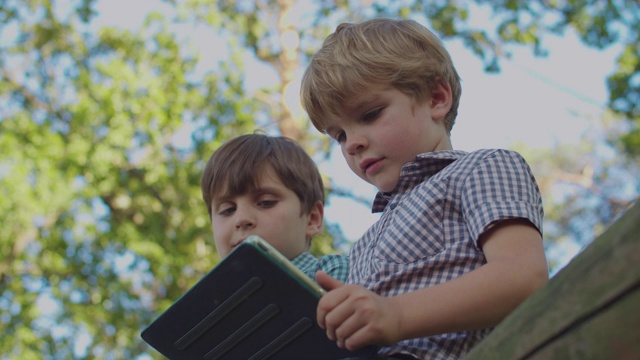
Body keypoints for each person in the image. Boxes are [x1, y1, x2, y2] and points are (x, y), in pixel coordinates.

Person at [300, 18, 549, 359]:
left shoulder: (482, 168)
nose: (352, 144)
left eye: (370, 114)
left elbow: (524, 277)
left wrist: (397, 314)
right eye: (339, 135)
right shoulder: (361, 249)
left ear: (436, 98)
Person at [200, 133, 349, 282]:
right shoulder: (208, 301)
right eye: (228, 210)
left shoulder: (330, 274)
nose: (241, 219)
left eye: (266, 202)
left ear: (312, 219)